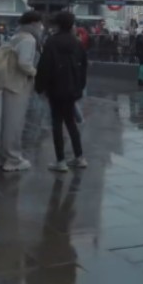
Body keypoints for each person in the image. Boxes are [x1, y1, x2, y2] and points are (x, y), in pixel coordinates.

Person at [35, 11, 88, 172]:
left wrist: (40, 86)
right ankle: (79, 157)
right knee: (71, 123)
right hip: (72, 88)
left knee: (57, 123)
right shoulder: (77, 43)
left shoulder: (52, 42)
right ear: (72, 24)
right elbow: (83, 67)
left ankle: (61, 160)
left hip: (56, 88)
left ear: (58, 24)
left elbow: (45, 66)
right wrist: (80, 86)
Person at [0, 11, 43, 172]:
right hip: (19, 84)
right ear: (34, 23)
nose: (41, 27)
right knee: (15, 123)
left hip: (9, 82)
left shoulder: (16, 37)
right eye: (40, 23)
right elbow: (24, 63)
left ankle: (1, 155)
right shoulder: (29, 40)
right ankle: (13, 159)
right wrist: (34, 72)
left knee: (7, 122)